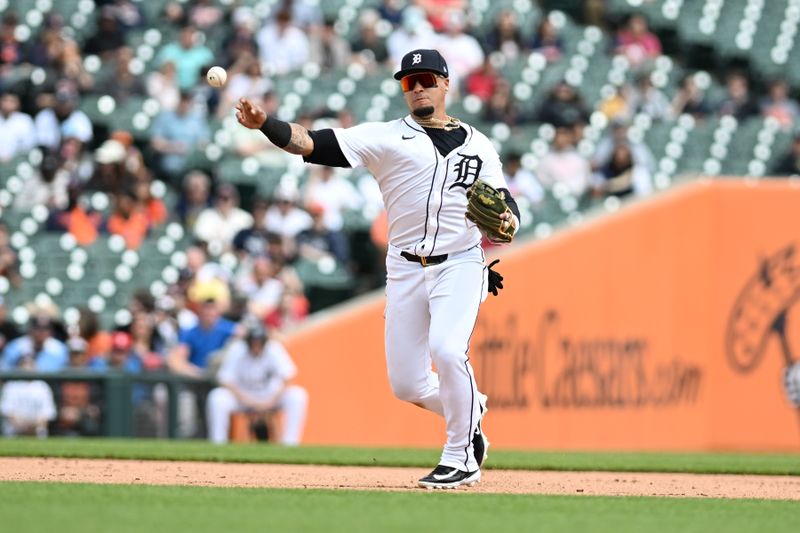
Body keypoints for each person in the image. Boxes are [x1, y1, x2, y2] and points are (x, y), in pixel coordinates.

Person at [234, 48, 520, 488]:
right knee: (406, 384)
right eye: (409, 82)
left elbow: (506, 204)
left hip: (460, 263)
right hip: (405, 268)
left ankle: (460, 456)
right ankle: (469, 410)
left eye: (426, 79)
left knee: (447, 350)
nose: (418, 87)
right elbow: (310, 142)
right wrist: (266, 125)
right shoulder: (386, 137)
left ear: (445, 84)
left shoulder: (479, 145)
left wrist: (509, 220)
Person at [206, 323, 308, 445]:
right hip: (243, 397)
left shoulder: (274, 348)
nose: (256, 344)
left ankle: (290, 444)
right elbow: (225, 380)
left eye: (259, 341)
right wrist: (248, 400)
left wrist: (270, 401)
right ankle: (218, 443)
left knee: (297, 395)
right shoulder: (237, 349)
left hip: (270, 397)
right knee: (217, 397)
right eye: (253, 341)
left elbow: (288, 377)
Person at [167, 297, 238, 377]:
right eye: (206, 308)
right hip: (195, 378)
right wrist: (199, 374)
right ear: (199, 311)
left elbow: (242, 334)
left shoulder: (227, 328)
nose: (208, 313)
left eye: (212, 308)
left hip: (220, 377)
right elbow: (176, 360)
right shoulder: (189, 332)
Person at [0, 356, 57, 437]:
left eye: (30, 365)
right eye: (24, 364)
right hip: (14, 432)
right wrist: (22, 426)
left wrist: (34, 426)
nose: (27, 368)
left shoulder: (43, 386)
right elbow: (7, 412)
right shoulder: (11, 386)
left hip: (36, 431)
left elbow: (47, 415)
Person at [1, 315, 68, 372]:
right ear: (30, 329)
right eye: (37, 327)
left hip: (50, 385)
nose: (41, 331)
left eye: (45, 328)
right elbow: (4, 369)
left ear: (51, 331)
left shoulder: (60, 349)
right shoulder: (16, 346)